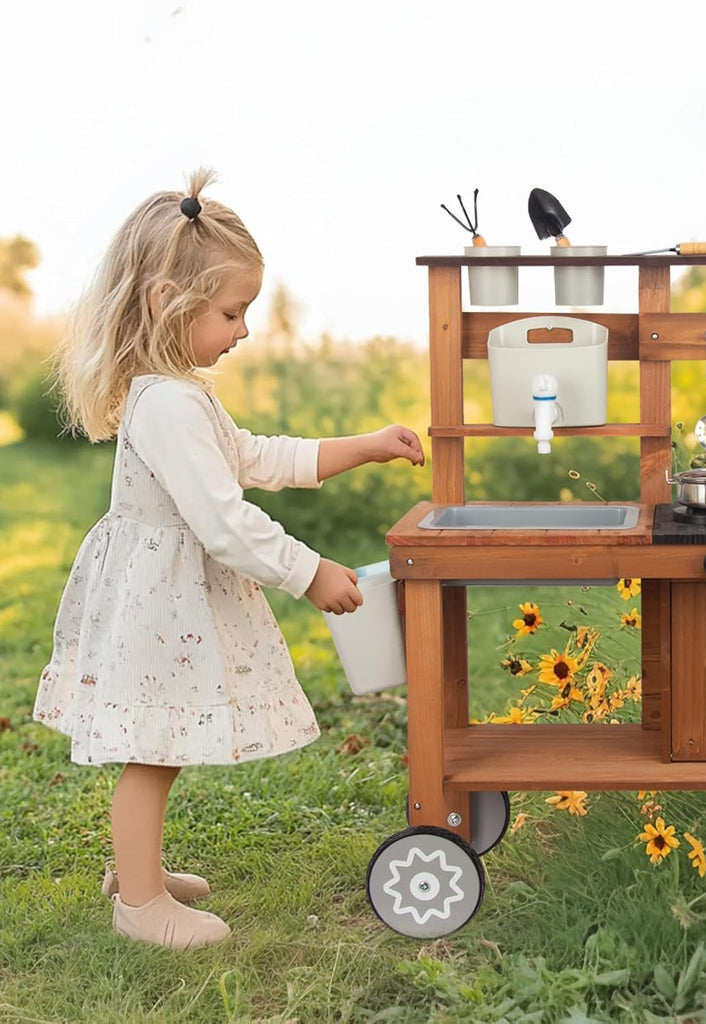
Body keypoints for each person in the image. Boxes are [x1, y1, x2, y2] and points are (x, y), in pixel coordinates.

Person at [33, 169, 424, 949]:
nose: (242, 330)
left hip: (161, 595)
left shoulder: (179, 390)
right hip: (159, 600)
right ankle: (140, 905)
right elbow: (222, 520)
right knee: (150, 749)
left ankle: (139, 871)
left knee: (159, 744)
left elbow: (253, 455)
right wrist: (311, 573)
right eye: (229, 312)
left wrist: (364, 447)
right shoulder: (170, 403)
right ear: (165, 303)